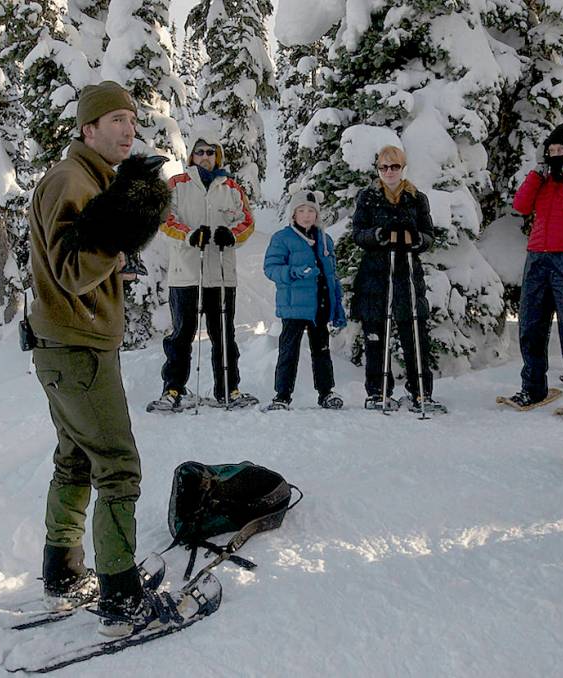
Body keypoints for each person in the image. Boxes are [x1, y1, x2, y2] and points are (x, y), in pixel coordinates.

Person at [27, 81, 171, 634]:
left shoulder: (90, 179)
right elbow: (72, 269)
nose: (128, 129)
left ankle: (62, 574)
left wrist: (116, 244)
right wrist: (120, 225)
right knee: (117, 465)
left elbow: (84, 262)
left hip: (67, 345)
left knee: (76, 459)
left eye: (132, 120)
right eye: (114, 120)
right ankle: (120, 595)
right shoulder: (72, 179)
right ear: (88, 129)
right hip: (78, 348)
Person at [149, 129, 257, 411]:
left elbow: (246, 222)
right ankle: (173, 389)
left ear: (217, 156)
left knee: (224, 335)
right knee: (182, 335)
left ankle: (228, 389)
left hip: (220, 274)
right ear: (192, 156)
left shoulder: (232, 188)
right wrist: (188, 234)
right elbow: (165, 220)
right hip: (186, 272)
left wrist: (231, 235)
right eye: (200, 152)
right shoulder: (177, 184)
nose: (205, 157)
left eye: (211, 152)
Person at [507, 123, 563, 418]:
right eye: (552, 151)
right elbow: (521, 205)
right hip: (537, 256)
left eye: (562, 150)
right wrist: (536, 170)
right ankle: (533, 387)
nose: (556, 155)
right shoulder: (543, 180)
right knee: (531, 326)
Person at [351, 145, 446, 414]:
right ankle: (378, 391)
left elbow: (428, 235)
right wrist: (378, 235)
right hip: (375, 275)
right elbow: (358, 233)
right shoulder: (368, 197)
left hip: (406, 273)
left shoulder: (416, 198)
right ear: (378, 169)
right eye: (384, 167)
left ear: (403, 168)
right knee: (376, 336)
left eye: (394, 167)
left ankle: (420, 392)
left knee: (413, 332)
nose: (389, 172)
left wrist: (416, 240)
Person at [262, 190, 347, 410]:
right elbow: (271, 268)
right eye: (301, 211)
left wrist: (336, 306)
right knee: (288, 352)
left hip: (319, 305)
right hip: (293, 307)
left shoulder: (324, 239)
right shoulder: (282, 238)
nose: (307, 215)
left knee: (322, 351)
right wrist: (296, 272)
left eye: (311, 211)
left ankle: (326, 392)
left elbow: (332, 276)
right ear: (293, 214)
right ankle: (282, 395)